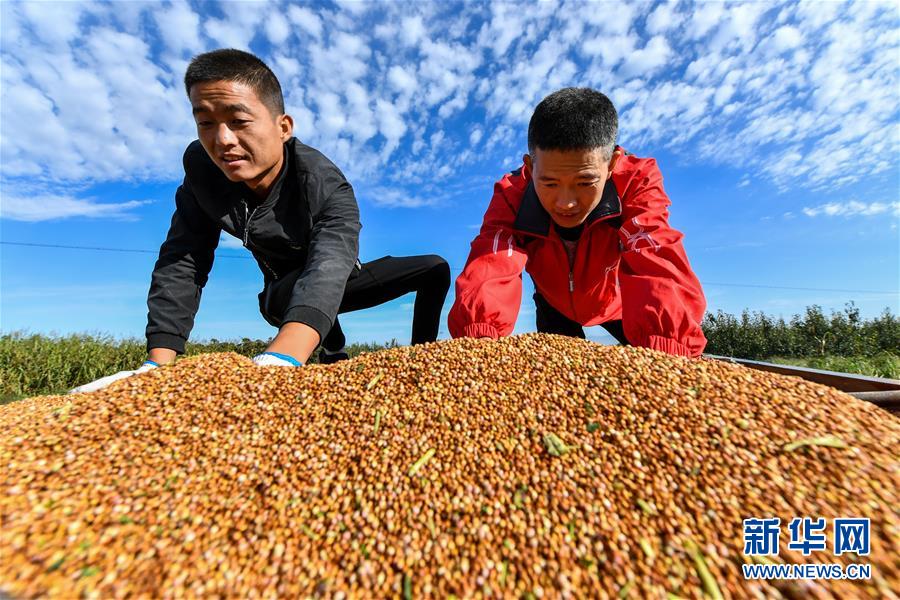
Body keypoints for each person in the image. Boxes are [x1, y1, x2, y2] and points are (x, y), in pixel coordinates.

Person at [72, 49, 449, 393]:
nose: (222, 140)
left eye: (238, 120)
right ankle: (330, 353)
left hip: (337, 279)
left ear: (283, 127)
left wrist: (285, 355)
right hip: (278, 299)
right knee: (299, 281)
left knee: (434, 267)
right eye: (205, 123)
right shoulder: (203, 177)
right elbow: (183, 258)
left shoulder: (323, 181)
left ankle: (418, 359)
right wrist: (158, 361)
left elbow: (332, 255)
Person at [448, 87, 706, 357]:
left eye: (585, 182)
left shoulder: (634, 180)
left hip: (618, 305)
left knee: (660, 353)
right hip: (552, 305)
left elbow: (653, 250)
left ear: (611, 164)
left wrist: (670, 348)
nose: (565, 203)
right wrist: (476, 343)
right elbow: (492, 260)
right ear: (530, 165)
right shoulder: (513, 193)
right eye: (549, 183)